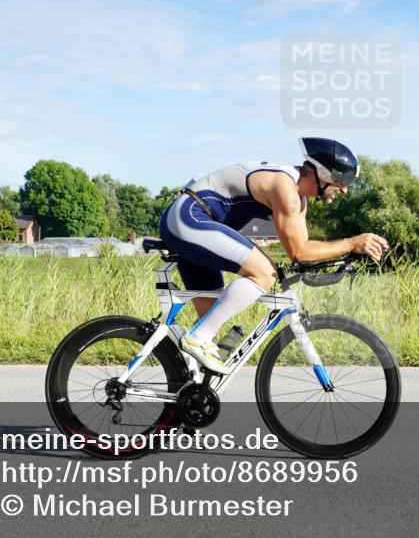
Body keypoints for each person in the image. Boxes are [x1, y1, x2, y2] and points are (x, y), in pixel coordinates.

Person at [158, 137, 389, 374]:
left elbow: (303, 251)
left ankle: (187, 398)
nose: (345, 189)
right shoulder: (285, 187)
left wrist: (345, 253)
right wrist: (351, 243)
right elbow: (299, 252)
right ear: (323, 174)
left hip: (197, 225)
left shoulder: (299, 199)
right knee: (264, 272)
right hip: (190, 218)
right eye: (343, 181)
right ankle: (197, 338)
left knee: (209, 325)